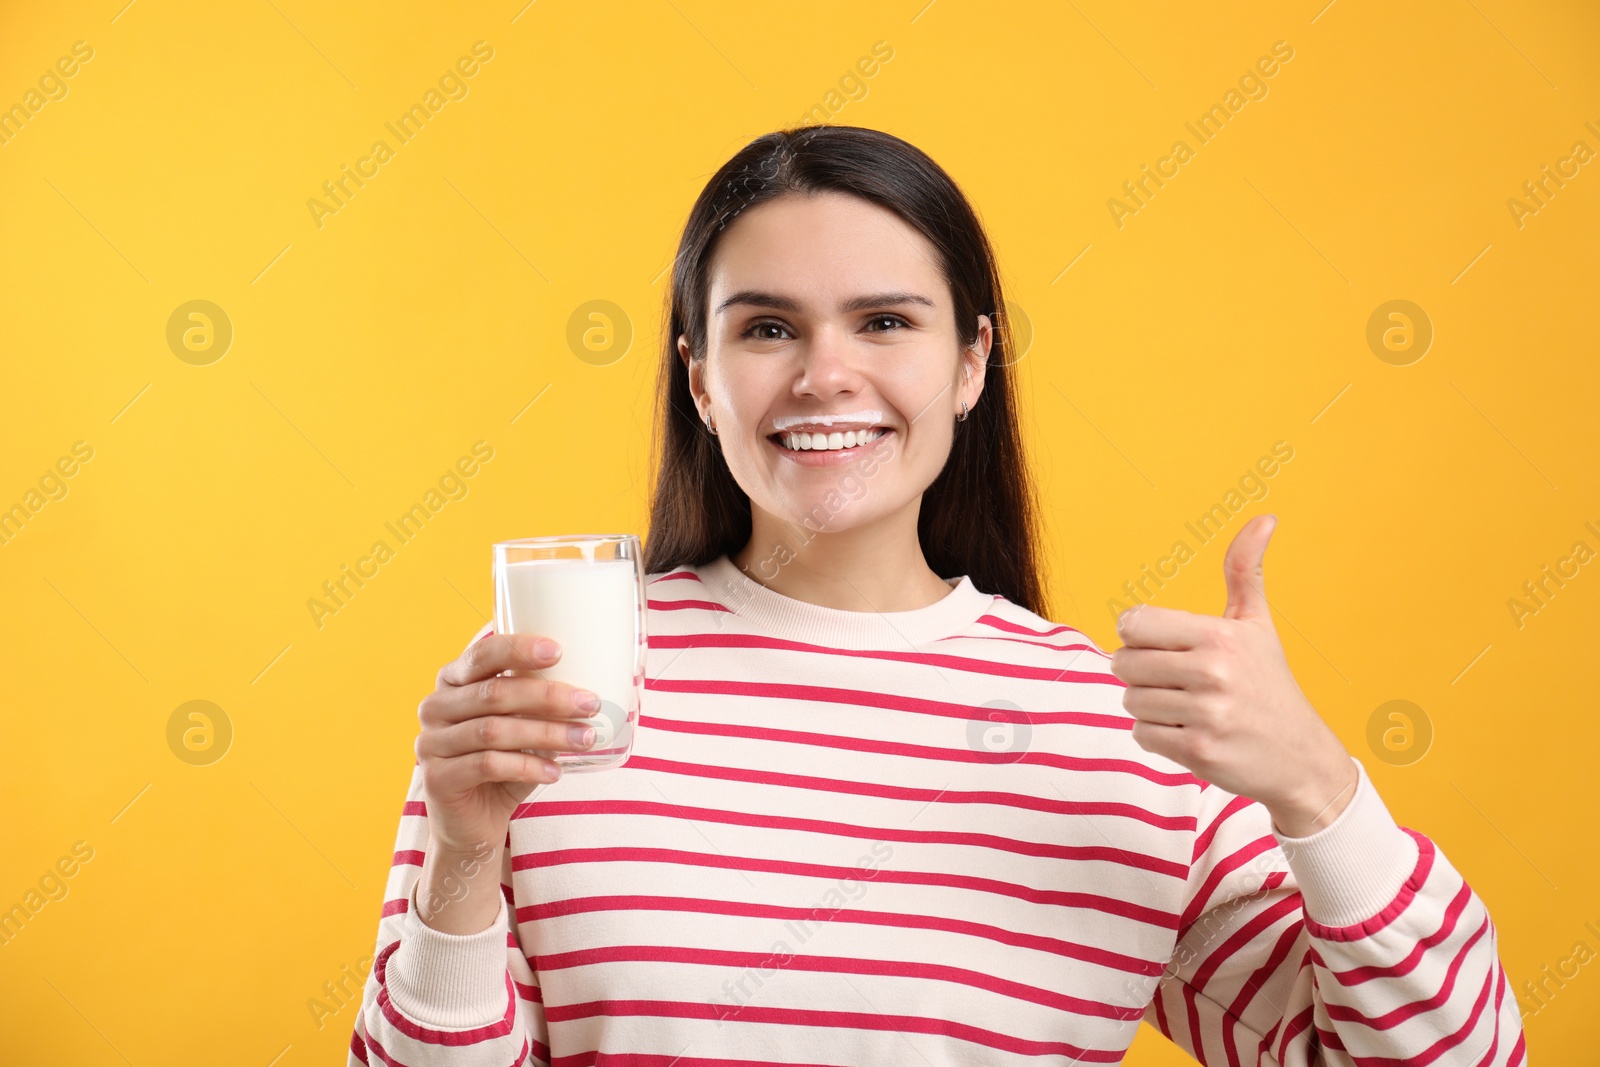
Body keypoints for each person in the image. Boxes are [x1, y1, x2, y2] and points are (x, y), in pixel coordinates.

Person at [347, 125, 1526, 1066]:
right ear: (699, 378)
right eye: (766, 327)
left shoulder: (1116, 735)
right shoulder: (559, 682)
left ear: (970, 362)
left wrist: (1317, 782)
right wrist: (463, 850)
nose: (824, 374)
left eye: (883, 321)